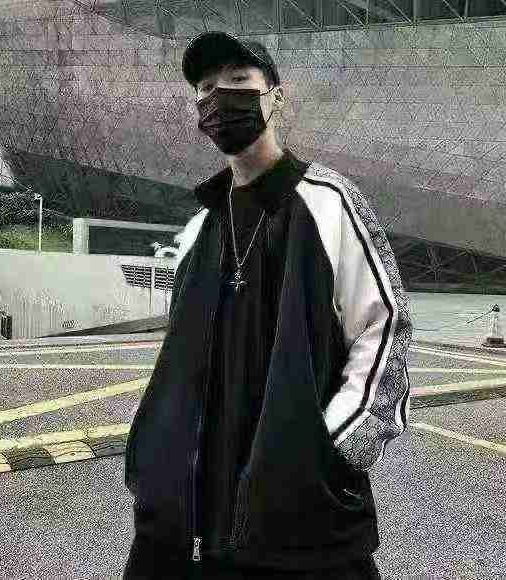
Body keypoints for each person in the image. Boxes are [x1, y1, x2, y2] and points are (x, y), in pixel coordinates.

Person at [123, 31, 413, 580]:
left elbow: (385, 329)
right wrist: (155, 457)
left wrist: (328, 449)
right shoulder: (200, 227)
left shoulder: (327, 203)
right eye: (206, 88)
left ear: (275, 96)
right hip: (189, 517)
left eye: (239, 80)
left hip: (301, 515)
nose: (219, 97)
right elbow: (179, 361)